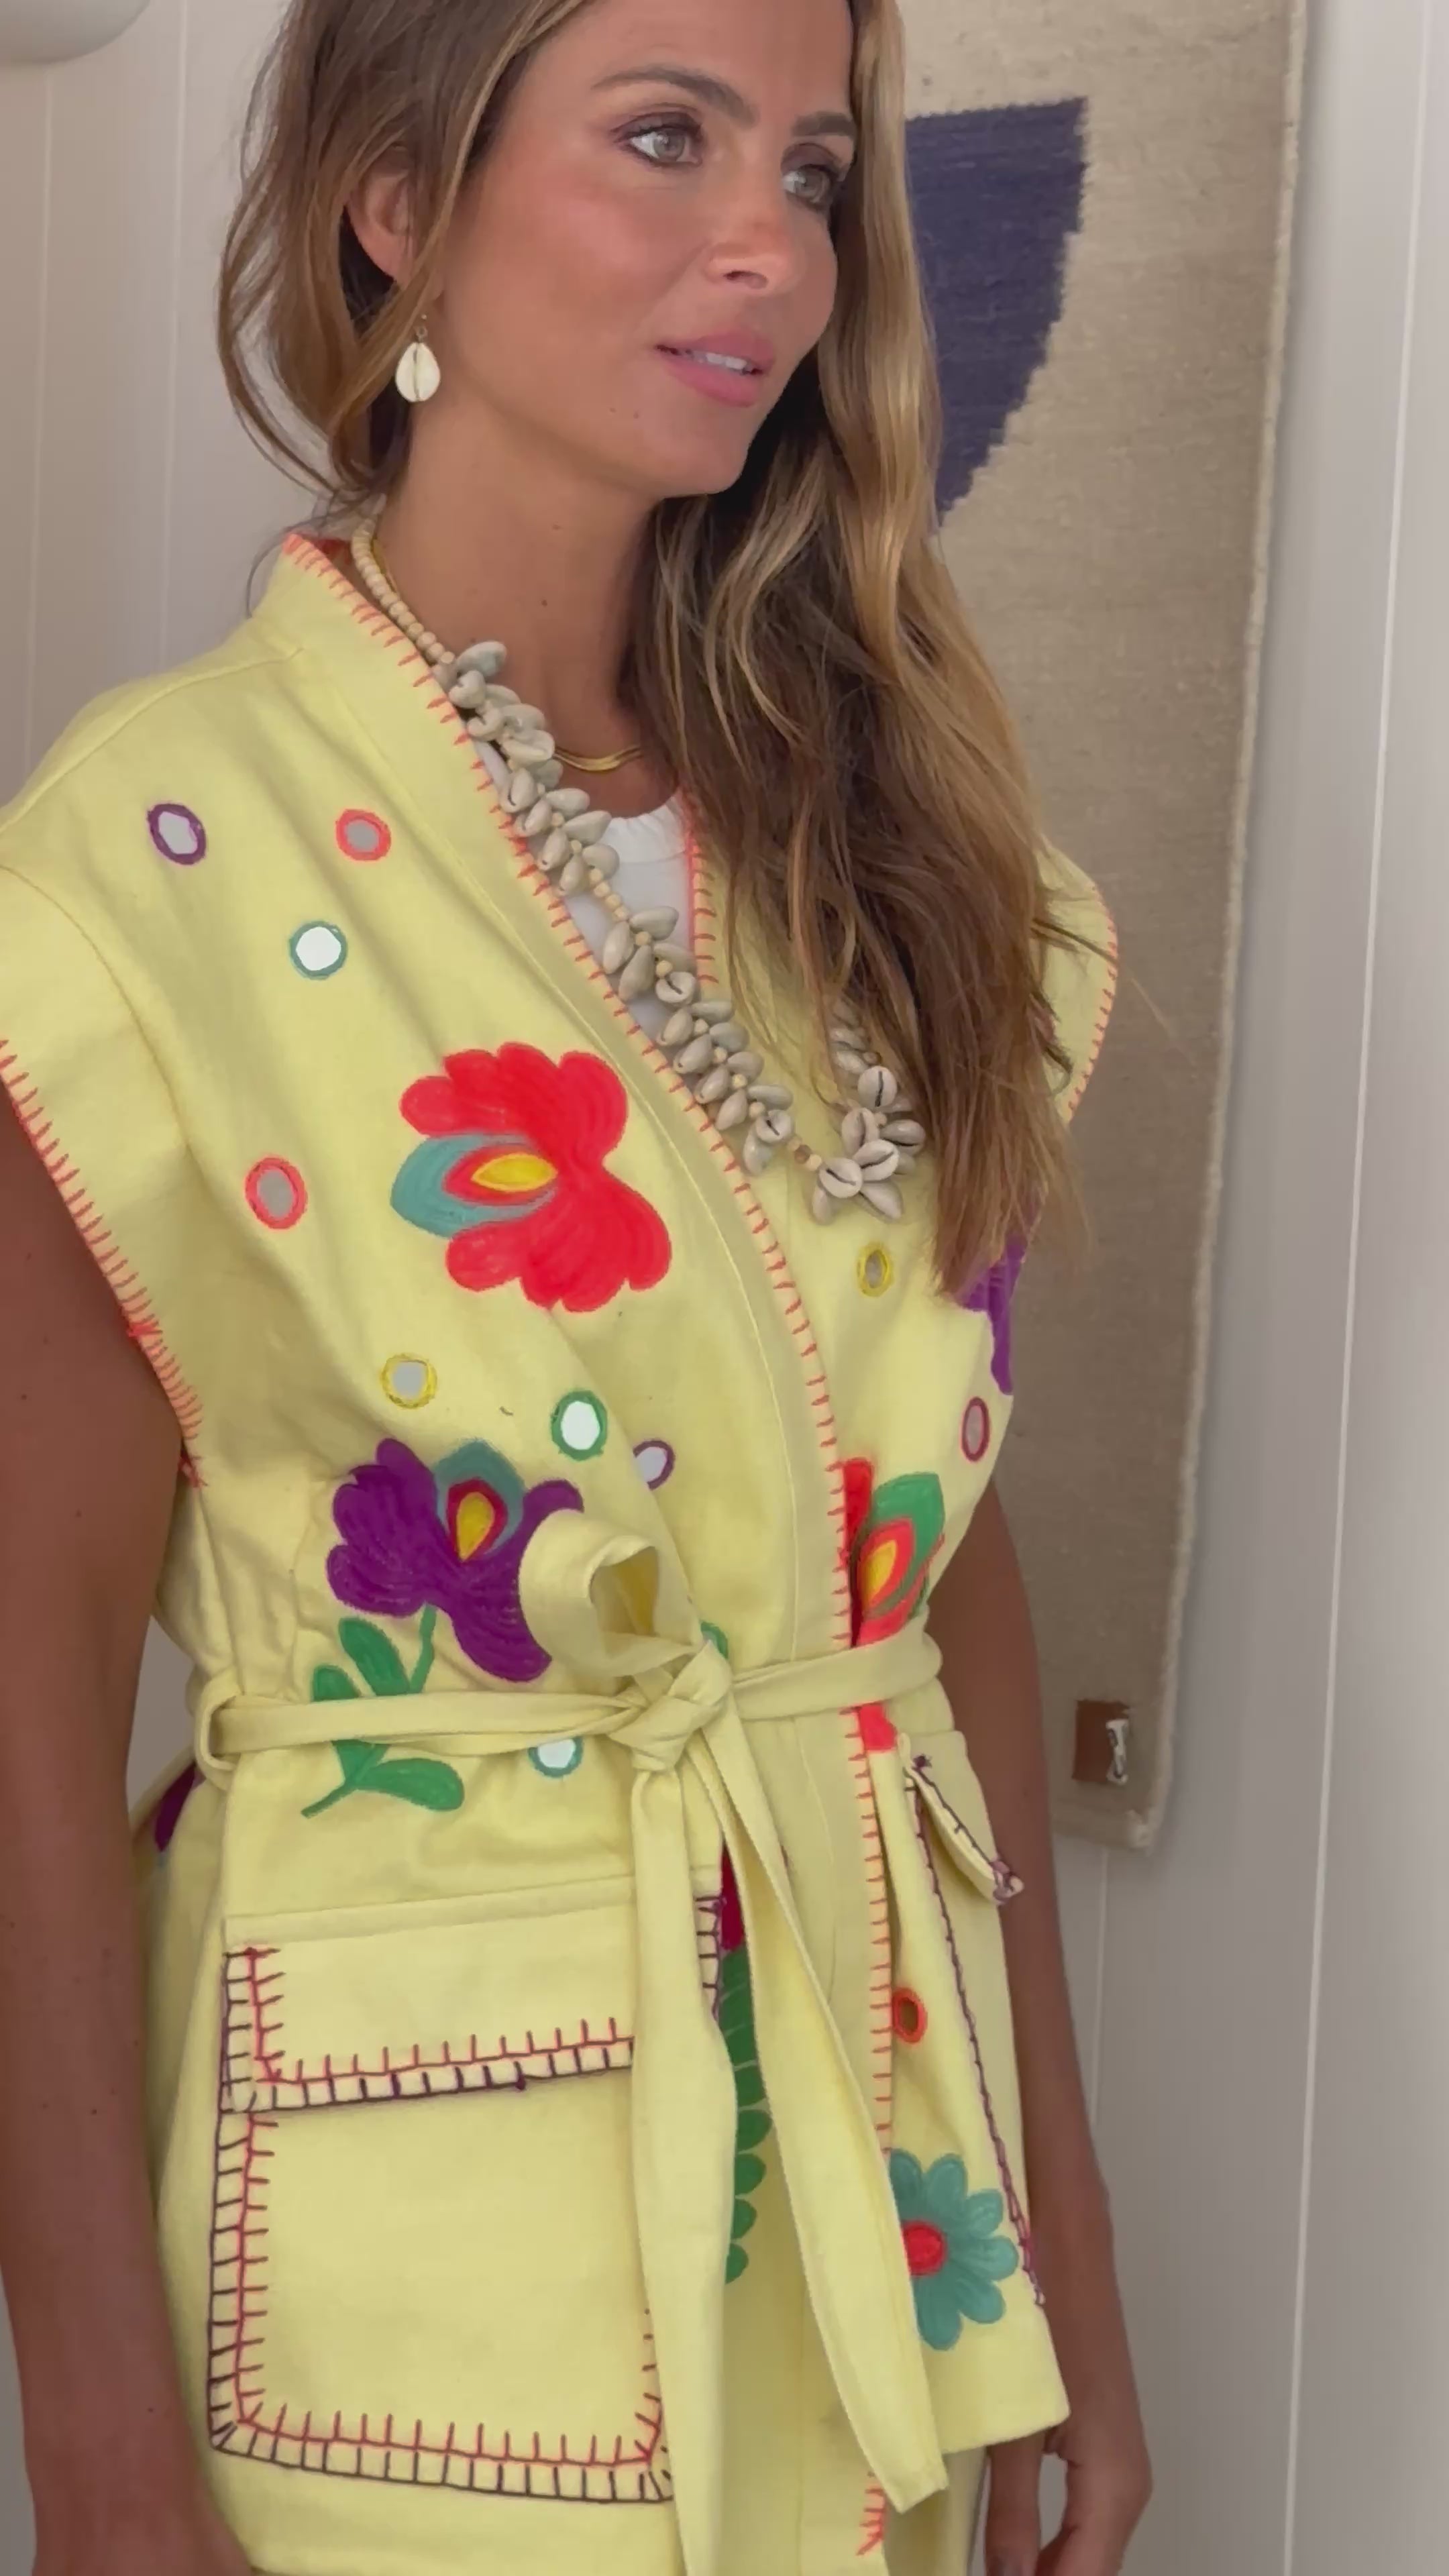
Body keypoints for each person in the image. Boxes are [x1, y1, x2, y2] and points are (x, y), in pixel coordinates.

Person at [0, 0, 1151, 2571]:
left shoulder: (894, 855)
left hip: (880, 2213)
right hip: (406, 2245)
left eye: (812, 172)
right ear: (399, 205)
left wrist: (1056, 2240)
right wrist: (95, 2459)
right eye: (664, 139)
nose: (770, 249)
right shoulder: (146, 870)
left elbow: (921, 1586)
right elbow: (20, 1717)